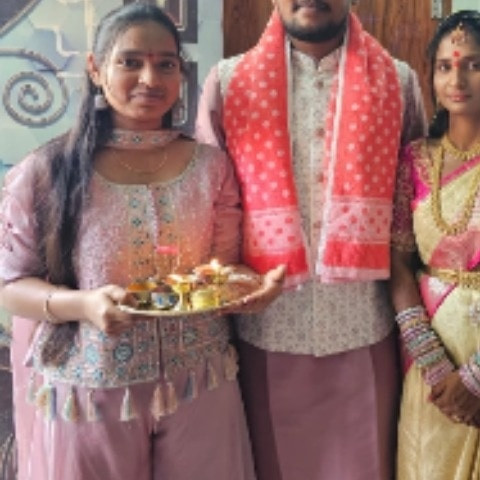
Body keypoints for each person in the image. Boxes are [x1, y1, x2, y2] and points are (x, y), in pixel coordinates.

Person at [0, 4, 271, 479]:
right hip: (91, 392)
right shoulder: (47, 171)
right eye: (130, 62)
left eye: (166, 64)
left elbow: (221, 269)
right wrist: (84, 305)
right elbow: (10, 286)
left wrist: (250, 287)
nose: (150, 78)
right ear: (95, 68)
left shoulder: (211, 167)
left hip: (201, 380)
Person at [195, 1, 427, 479]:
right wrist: (230, 276)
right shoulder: (229, 82)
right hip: (268, 331)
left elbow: (416, 200)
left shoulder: (399, 82)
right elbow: (209, 205)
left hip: (363, 330)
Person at [390, 10, 480, 479]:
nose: (457, 80)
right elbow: (399, 265)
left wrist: (476, 378)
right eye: (445, 66)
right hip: (430, 363)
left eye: (474, 65)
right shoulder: (414, 160)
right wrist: (434, 364)